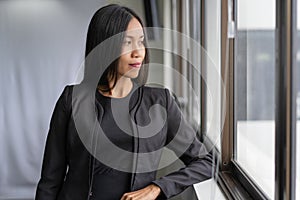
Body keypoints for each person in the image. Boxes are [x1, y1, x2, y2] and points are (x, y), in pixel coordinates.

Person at [35, 4, 214, 200]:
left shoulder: (159, 102)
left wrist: (157, 188)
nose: (138, 52)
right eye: (127, 42)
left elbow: (206, 161)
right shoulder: (72, 99)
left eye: (141, 41)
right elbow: (50, 180)